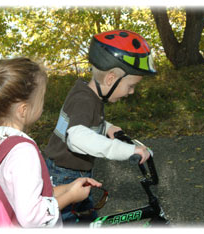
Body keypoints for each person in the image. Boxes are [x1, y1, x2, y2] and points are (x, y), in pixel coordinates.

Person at [0, 57, 102, 227]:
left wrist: (68, 188)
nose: (43, 104)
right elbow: (31, 217)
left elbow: (23, 194)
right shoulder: (22, 151)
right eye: (41, 97)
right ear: (23, 110)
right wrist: (70, 197)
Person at [44, 29, 157, 224]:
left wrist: (107, 128)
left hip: (71, 172)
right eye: (130, 86)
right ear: (111, 79)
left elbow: (85, 122)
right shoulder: (84, 101)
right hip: (65, 176)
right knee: (68, 222)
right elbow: (77, 137)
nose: (131, 92)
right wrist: (128, 150)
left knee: (88, 220)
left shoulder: (87, 94)